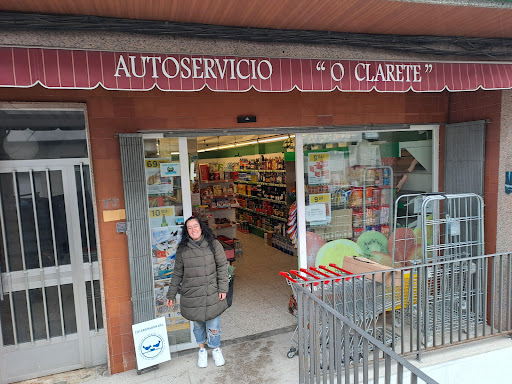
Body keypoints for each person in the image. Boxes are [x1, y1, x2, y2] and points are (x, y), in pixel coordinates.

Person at [166, 216, 229, 368]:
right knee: (198, 326)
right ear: (186, 231)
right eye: (190, 227)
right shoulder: (183, 250)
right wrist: (171, 294)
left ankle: (215, 348)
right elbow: (177, 273)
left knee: (214, 325)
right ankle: (201, 351)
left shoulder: (214, 245)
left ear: (201, 227)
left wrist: (223, 288)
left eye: (196, 226)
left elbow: (222, 266)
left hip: (211, 292)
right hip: (192, 294)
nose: (193, 230)